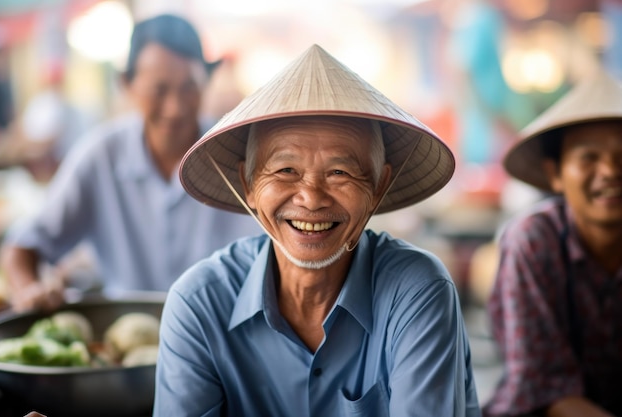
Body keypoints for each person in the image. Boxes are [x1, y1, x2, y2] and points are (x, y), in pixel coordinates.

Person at [153, 44, 480, 417]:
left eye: (339, 172)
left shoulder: (416, 292)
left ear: (377, 187)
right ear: (247, 184)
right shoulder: (199, 304)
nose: (311, 198)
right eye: (285, 170)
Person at [0, 14, 261, 312]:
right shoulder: (100, 156)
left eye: (189, 88)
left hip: (224, 339)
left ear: (207, 81)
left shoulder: (238, 156)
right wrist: (30, 289)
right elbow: (23, 246)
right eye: (159, 90)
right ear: (127, 84)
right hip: (125, 344)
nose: (175, 108)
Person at [484, 70, 622, 417]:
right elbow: (544, 388)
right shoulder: (534, 241)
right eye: (589, 157)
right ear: (555, 174)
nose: (609, 171)